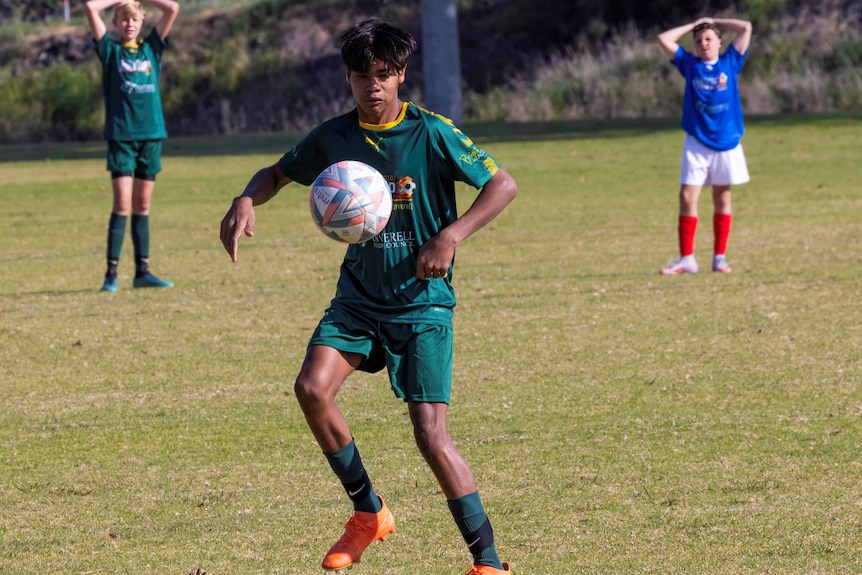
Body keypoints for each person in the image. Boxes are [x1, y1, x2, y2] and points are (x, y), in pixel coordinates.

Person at [219, 17, 517, 575]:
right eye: (361, 76)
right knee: (311, 388)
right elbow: (277, 174)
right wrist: (246, 198)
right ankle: (369, 513)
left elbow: (503, 184)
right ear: (349, 78)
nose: (372, 87)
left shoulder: (432, 132)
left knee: (430, 435)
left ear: (401, 74)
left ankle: (489, 563)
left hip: (422, 303)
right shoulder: (334, 137)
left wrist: (450, 236)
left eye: (383, 75)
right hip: (358, 298)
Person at [85, 0, 179, 292]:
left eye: (134, 19)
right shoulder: (110, 51)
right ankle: (111, 274)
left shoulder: (152, 47)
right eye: (123, 19)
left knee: (142, 205)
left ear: (141, 22)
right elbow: (90, 6)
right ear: (115, 22)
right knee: (123, 204)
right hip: (122, 137)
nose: (129, 23)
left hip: (150, 135)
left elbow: (172, 8)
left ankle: (143, 272)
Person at [657, 17, 753, 275]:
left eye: (709, 39)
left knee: (722, 196)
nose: (704, 44)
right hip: (697, 141)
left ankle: (719, 257)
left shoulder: (730, 62)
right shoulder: (689, 65)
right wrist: (694, 24)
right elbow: (664, 39)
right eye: (699, 41)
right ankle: (687, 259)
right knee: (687, 196)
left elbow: (745, 27)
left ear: (720, 42)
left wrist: (714, 21)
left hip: (727, 142)